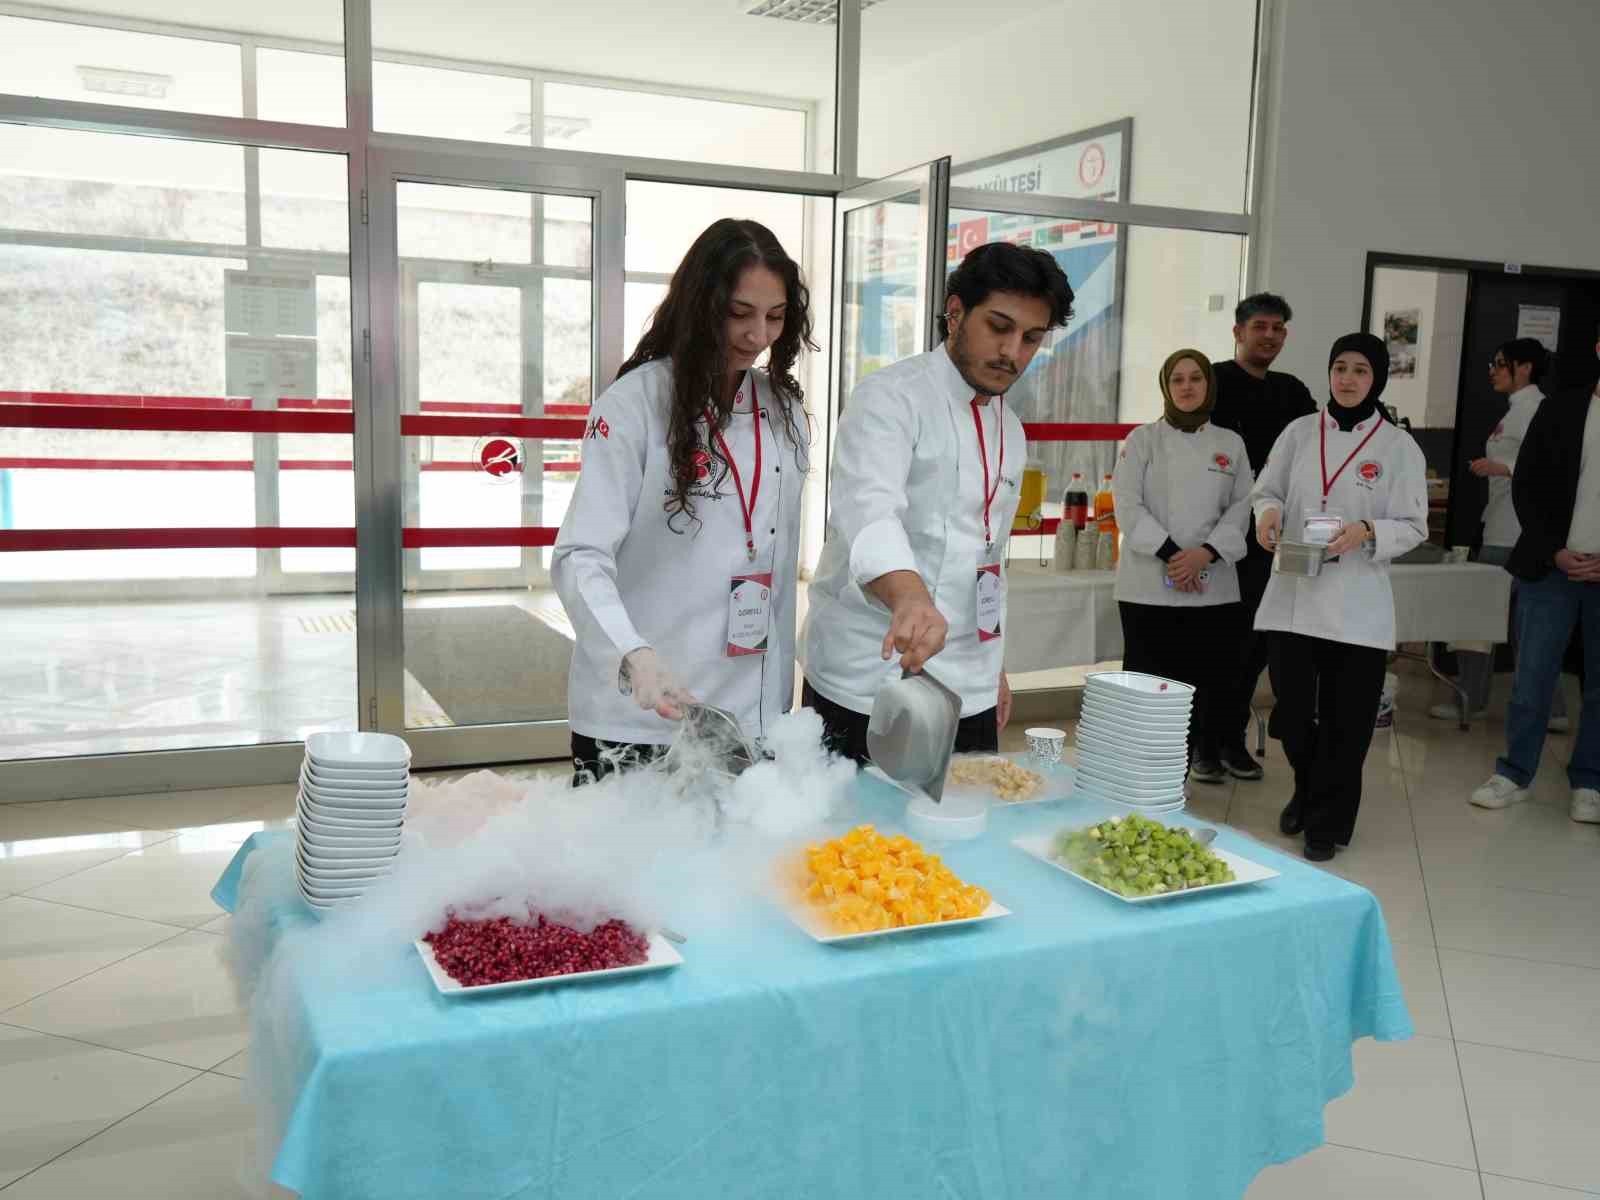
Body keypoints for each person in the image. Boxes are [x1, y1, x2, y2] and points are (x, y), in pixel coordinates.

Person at [552, 219, 814, 782]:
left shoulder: (783, 410)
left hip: (747, 711)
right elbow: (580, 555)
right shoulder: (633, 406)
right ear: (701, 304)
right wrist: (632, 653)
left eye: (775, 316)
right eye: (739, 313)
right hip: (644, 707)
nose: (757, 335)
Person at [800, 241, 1076, 763]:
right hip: (870, 673)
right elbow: (870, 512)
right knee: (857, 838)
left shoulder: (1009, 429)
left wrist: (990, 665)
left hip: (967, 679)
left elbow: (986, 554)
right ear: (954, 313)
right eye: (999, 327)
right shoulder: (890, 399)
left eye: (1031, 338)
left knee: (960, 830)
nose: (1013, 352)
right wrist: (908, 597)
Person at [1253, 332, 1428, 860]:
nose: (1348, 379)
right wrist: (1267, 514)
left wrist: (1370, 530)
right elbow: (1268, 488)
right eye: (1340, 368)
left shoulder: (1398, 447)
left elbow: (1414, 523)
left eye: (1360, 371)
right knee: (1293, 712)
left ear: (1377, 379)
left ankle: (1326, 822)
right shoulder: (1300, 432)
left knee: (1347, 722)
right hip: (1294, 597)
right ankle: (1306, 788)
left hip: (1356, 606)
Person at [1470, 326, 1600, 822]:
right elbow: (1529, 486)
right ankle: (1515, 772)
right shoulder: (1561, 409)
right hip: (1552, 566)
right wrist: (1555, 550)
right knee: (1532, 676)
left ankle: (1589, 781)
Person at [1111, 350, 1253, 781]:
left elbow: (1242, 508)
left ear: (1209, 385)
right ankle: (1143, 766)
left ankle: (1204, 752)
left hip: (1212, 583)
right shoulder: (1142, 441)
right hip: (1150, 585)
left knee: (1211, 679)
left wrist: (1203, 555)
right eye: (1177, 379)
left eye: (1195, 378)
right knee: (1149, 682)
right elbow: (1128, 506)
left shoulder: (1230, 443)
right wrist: (1175, 556)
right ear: (1165, 387)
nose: (1187, 386)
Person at [1432, 338, 1569, 728]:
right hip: (1502, 527)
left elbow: (1551, 465)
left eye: (1500, 363)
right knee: (1515, 622)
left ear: (1524, 368)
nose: (1492, 370)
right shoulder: (1516, 410)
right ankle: (1550, 708)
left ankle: (1473, 700)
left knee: (1481, 617)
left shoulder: (1538, 409)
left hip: (1515, 534)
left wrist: (1503, 467)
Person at [1209, 293, 1317, 781]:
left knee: (1253, 648)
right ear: (1238, 332)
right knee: (1217, 645)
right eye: (1260, 327)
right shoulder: (1213, 383)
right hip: (1218, 538)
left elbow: (1317, 455)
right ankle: (1202, 745)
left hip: (1272, 542)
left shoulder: (1293, 393)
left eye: (1278, 328)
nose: (1269, 336)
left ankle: (1231, 741)